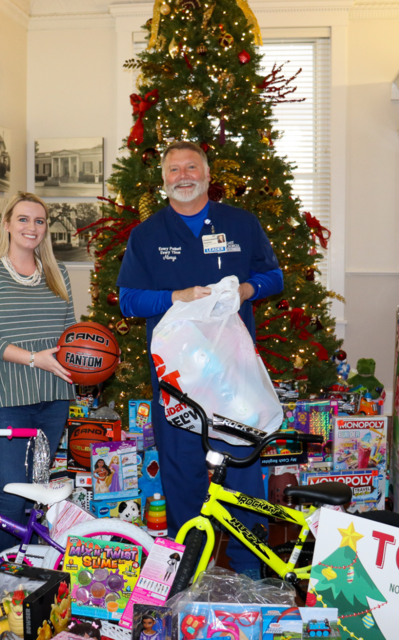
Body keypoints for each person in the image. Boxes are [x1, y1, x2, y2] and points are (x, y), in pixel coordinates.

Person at [117, 141, 284, 577]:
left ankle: (252, 575)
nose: (183, 175)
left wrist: (246, 291)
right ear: (163, 180)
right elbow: (128, 300)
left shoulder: (241, 224)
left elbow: (274, 276)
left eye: (192, 167)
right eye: (174, 169)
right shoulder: (147, 234)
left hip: (235, 386)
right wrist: (176, 297)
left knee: (245, 480)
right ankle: (189, 575)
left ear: (208, 176)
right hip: (177, 386)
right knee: (182, 479)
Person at [0, 192, 76, 553]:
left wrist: (87, 362)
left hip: (54, 397)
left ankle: (28, 571)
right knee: (11, 494)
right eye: (24, 219)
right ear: (9, 225)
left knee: (36, 493)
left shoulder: (58, 275)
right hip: (5, 398)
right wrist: (34, 359)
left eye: (40, 221)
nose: (32, 227)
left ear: (46, 229)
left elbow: (70, 335)